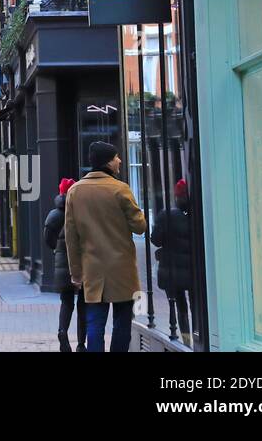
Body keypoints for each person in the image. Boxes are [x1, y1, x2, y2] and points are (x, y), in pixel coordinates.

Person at [65, 141, 148, 352]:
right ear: (108, 162)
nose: (119, 160)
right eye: (116, 157)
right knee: (122, 323)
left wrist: (76, 274)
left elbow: (71, 238)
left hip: (93, 271)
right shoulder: (120, 189)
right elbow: (140, 227)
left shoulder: (75, 192)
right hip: (122, 271)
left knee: (95, 324)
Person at [43, 177, 86, 352]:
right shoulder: (81, 212)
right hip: (82, 264)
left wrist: (58, 250)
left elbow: (48, 239)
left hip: (62, 264)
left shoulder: (54, 215)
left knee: (66, 302)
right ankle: (82, 344)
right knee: (84, 303)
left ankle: (62, 331)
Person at [153, 178, 194, 346]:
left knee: (180, 306)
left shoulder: (166, 215)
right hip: (192, 269)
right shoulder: (196, 215)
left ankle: (184, 340)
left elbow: (156, 239)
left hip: (172, 269)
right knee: (195, 305)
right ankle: (198, 333)